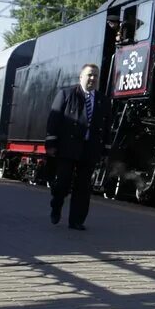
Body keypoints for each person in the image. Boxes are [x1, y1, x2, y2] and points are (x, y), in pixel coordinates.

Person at [45, 63, 107, 230]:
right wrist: (51, 142)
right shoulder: (66, 94)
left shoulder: (102, 100)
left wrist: (103, 149)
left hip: (89, 149)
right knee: (62, 183)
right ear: (81, 77)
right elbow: (54, 119)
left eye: (95, 75)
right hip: (67, 147)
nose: (93, 78)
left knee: (83, 187)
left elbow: (105, 126)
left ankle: (76, 221)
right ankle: (56, 205)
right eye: (89, 75)